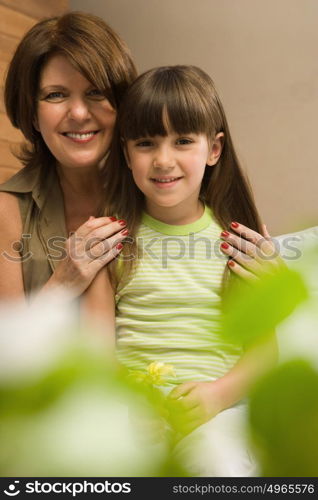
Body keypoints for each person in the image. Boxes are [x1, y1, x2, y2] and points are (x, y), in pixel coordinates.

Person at [86, 65, 278, 476]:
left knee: (216, 467)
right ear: (126, 152)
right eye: (146, 143)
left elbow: (265, 352)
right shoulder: (112, 241)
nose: (163, 159)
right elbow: (96, 351)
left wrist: (217, 396)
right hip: (134, 411)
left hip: (218, 411)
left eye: (183, 141)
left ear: (214, 149)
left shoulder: (238, 243)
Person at [0, 12, 137, 300]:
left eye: (96, 92)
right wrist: (63, 283)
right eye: (55, 95)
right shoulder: (7, 211)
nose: (78, 113)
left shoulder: (158, 188)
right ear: (33, 114)